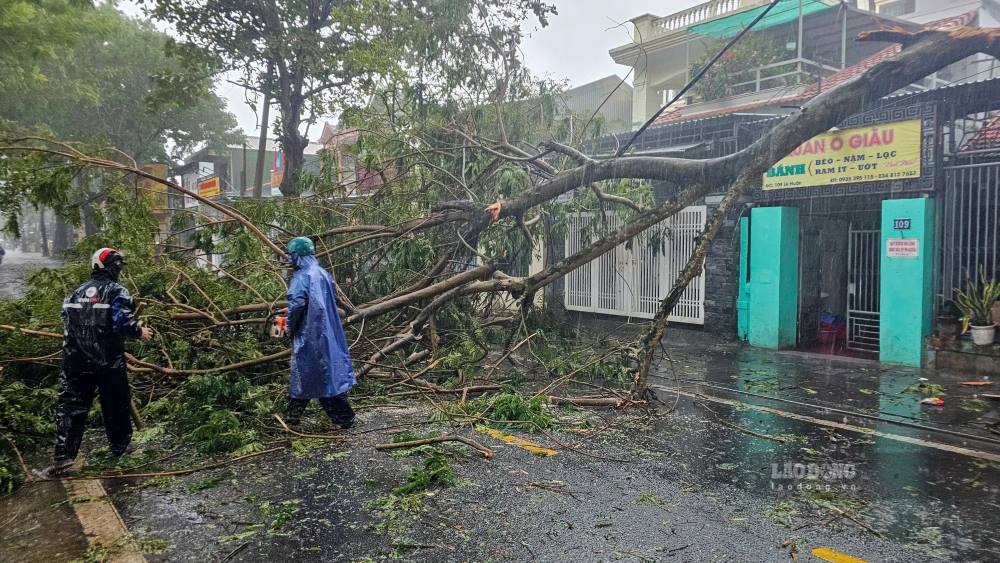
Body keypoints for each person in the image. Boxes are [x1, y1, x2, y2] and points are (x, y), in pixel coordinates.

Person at [34, 248, 153, 478]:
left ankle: (63, 458)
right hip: (108, 362)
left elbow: (67, 323)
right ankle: (121, 449)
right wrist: (140, 331)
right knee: (115, 405)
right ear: (113, 268)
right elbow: (122, 324)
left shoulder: (75, 293)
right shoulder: (118, 292)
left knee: (70, 406)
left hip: (75, 362)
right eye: (118, 266)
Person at [283, 236, 356, 428]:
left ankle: (343, 417)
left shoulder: (301, 277)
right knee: (323, 375)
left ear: (296, 256)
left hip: (310, 334)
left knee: (308, 374)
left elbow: (297, 303)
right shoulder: (322, 273)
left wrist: (288, 326)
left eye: (291, 256)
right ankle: (340, 418)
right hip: (328, 332)